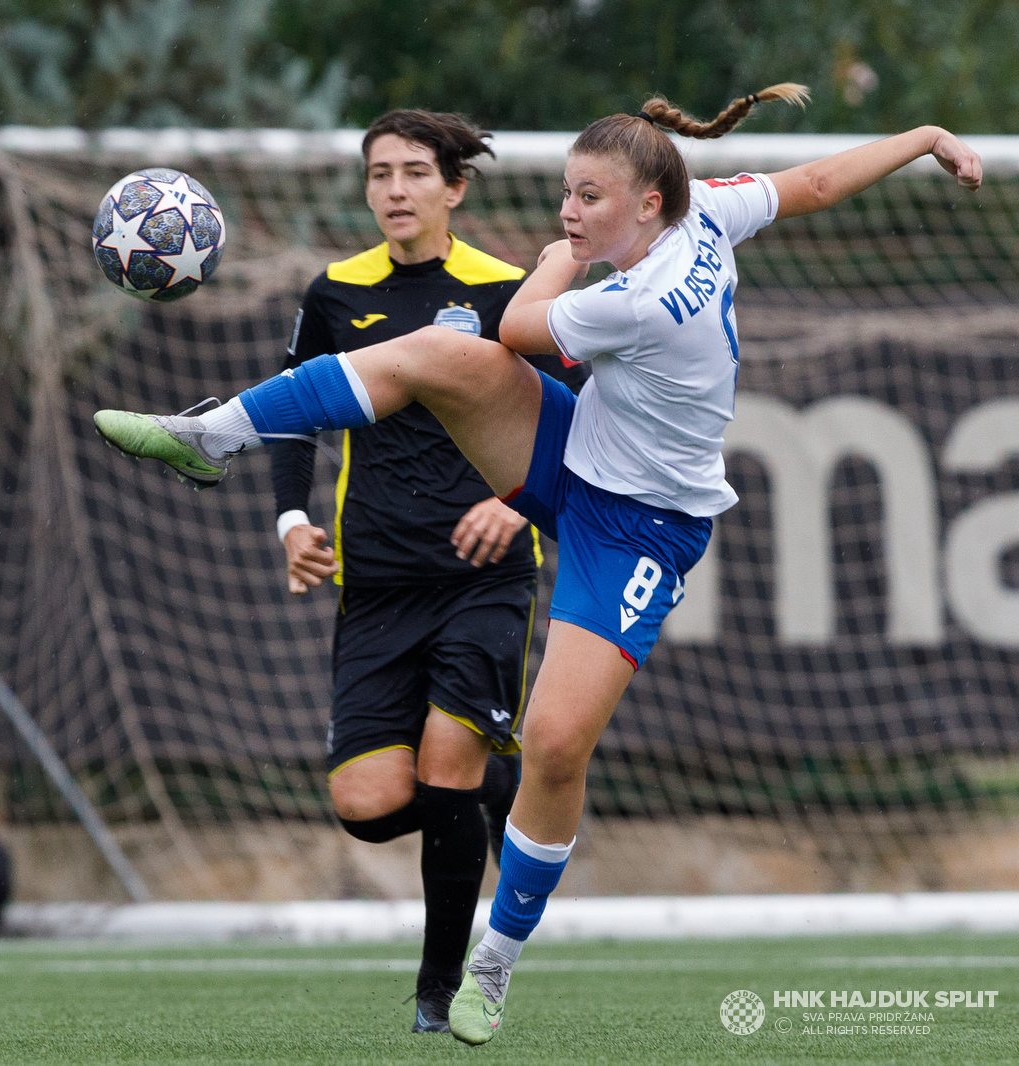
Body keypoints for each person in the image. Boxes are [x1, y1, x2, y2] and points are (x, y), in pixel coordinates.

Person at [93, 84, 982, 1045]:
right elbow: (812, 181)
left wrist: (558, 260)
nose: (569, 213)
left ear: (650, 205)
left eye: (589, 197)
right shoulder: (708, 211)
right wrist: (923, 135)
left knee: (558, 747)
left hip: (640, 531)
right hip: (570, 453)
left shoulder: (638, 299)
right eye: (566, 193)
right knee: (435, 351)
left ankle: (493, 968)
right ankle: (211, 435)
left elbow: (520, 330)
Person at [269, 109, 585, 1033]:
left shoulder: (504, 292)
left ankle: (438, 995)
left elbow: (576, 412)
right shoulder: (334, 293)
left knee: (443, 768)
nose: (394, 190)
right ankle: (506, 788)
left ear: (454, 187)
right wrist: (292, 519)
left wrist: (518, 499)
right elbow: (293, 415)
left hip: (484, 577)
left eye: (414, 172)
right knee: (367, 804)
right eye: (379, 174)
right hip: (374, 579)